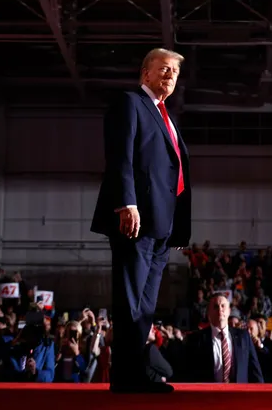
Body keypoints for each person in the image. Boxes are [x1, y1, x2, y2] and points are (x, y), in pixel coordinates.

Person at [91, 48, 192, 393]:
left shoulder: (167, 116)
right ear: (145, 73)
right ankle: (125, 377)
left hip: (162, 225)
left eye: (174, 72)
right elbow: (120, 155)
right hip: (136, 219)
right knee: (131, 300)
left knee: (146, 306)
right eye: (163, 69)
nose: (170, 75)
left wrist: (177, 225)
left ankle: (133, 374)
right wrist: (126, 203)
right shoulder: (131, 103)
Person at [183, 293, 264, 383]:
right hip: (208, 391)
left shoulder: (243, 337)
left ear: (229, 311)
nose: (220, 309)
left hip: (239, 391)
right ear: (208, 313)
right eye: (215, 306)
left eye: (223, 306)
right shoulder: (195, 339)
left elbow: (255, 372)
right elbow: (187, 375)